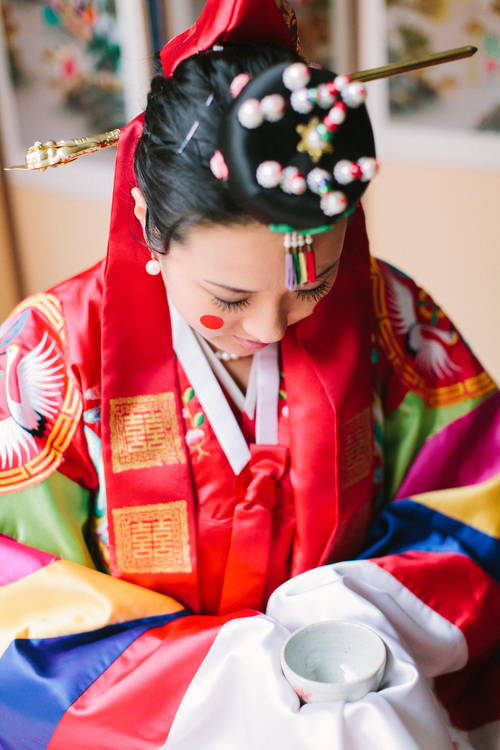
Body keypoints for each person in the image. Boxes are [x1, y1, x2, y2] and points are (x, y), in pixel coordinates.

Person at [0, 1, 498, 748]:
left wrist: (364, 605)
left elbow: (480, 502)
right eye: (228, 299)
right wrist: (233, 679)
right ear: (146, 222)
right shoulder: (48, 356)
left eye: (312, 284)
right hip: (153, 726)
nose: (270, 328)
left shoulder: (386, 310)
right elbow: (19, 606)